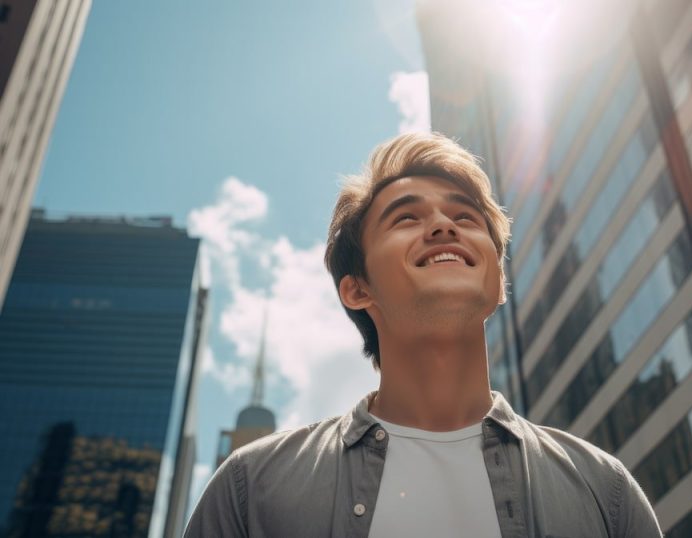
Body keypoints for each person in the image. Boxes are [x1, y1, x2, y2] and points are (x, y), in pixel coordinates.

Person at [184, 132, 662, 537]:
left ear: (498, 282)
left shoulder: (606, 493)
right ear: (356, 289)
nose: (443, 226)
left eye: (466, 217)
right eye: (407, 218)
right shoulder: (252, 487)